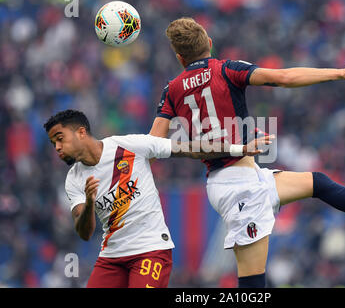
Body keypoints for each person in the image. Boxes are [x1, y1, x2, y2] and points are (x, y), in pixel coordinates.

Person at [149, 17, 345, 288]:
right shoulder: (226, 68)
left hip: (237, 179)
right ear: (209, 44)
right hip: (238, 188)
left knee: (318, 183)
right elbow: (285, 78)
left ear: (179, 58)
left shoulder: (171, 90)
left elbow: (155, 144)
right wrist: (341, 72)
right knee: (253, 286)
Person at [44, 109, 272, 288]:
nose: (57, 147)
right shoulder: (73, 180)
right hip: (111, 257)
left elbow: (189, 148)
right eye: (54, 142)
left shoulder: (128, 146)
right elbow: (84, 233)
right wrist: (90, 202)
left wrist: (239, 148)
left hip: (150, 251)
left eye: (60, 138)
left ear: (81, 132)